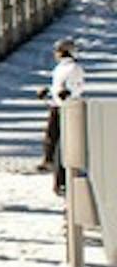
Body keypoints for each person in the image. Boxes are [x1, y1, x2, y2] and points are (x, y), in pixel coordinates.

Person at [40, 39, 87, 195]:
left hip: (66, 108)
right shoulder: (60, 68)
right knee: (51, 138)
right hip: (56, 106)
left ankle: (62, 178)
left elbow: (77, 86)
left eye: (58, 51)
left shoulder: (74, 68)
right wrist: (49, 92)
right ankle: (49, 161)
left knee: (62, 144)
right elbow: (58, 86)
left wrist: (69, 94)